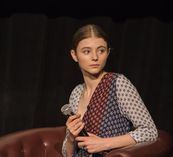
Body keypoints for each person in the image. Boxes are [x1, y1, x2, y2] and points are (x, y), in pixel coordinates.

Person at [61, 24, 158, 157]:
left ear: (108, 52)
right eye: (87, 51)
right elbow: (67, 154)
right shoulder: (76, 93)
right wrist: (71, 138)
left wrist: (105, 143)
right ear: (74, 55)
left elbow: (150, 131)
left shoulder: (118, 83)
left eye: (101, 50)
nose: (95, 57)